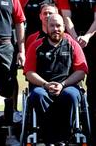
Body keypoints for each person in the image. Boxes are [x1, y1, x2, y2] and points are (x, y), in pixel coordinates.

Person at [24, 14, 88, 145]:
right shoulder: (35, 46)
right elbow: (29, 72)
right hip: (42, 86)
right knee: (37, 95)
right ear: (46, 27)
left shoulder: (73, 45)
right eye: (51, 26)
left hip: (67, 85)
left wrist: (62, 84)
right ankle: (49, 138)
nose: (55, 29)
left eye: (58, 25)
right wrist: (46, 85)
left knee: (70, 94)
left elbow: (81, 71)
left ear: (64, 27)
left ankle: (65, 137)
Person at [59, 0, 96, 141]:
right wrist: (75, 38)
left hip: (93, 41)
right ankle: (73, 126)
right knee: (73, 82)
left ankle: (92, 125)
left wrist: (87, 37)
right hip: (74, 42)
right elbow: (67, 18)